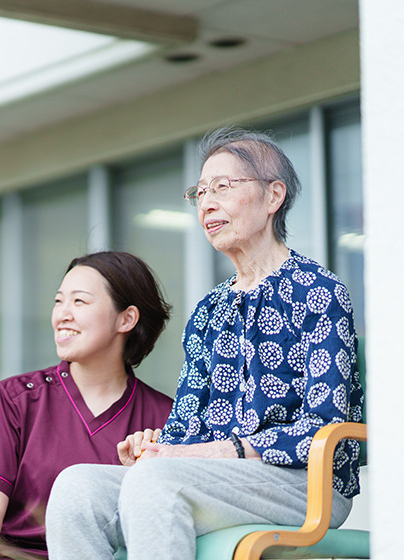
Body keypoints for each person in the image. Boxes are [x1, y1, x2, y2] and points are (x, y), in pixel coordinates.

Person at [45, 127, 365, 560]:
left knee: (158, 482)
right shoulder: (209, 310)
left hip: (302, 481)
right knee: (76, 488)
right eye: (200, 192)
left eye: (223, 187)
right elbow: (184, 426)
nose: (207, 203)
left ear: (273, 196)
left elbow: (323, 427)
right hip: (215, 478)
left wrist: (222, 451)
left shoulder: (318, 291)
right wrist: (157, 448)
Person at [0, 251, 175, 560]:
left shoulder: (166, 418)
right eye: (59, 301)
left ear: (126, 319)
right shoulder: (16, 398)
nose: (62, 314)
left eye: (79, 301)